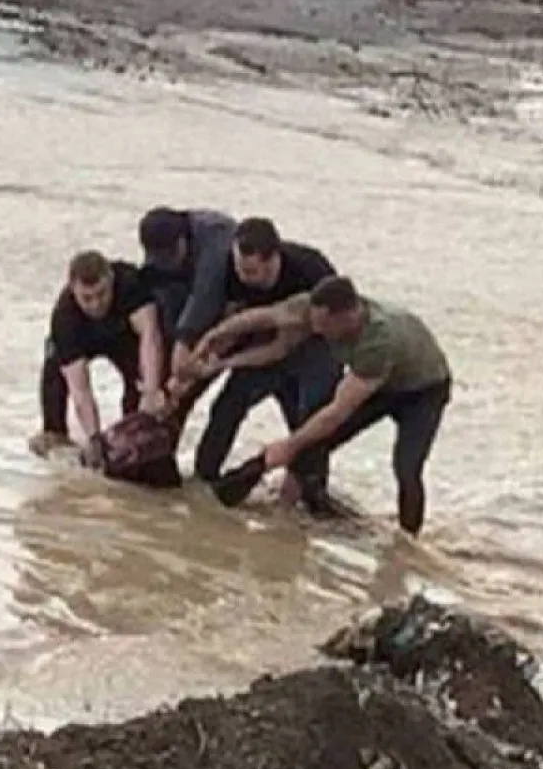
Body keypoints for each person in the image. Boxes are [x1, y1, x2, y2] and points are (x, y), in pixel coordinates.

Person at [205, 276, 452, 535]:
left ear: (348, 316)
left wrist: (288, 446)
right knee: (314, 443)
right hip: (381, 381)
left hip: (423, 391)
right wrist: (213, 337)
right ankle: (291, 508)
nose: (316, 330)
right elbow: (264, 317)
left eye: (323, 325)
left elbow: (337, 412)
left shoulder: (377, 341)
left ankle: (408, 542)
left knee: (407, 467)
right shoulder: (314, 310)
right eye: (313, 321)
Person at [177, 217, 342, 511]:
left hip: (317, 347)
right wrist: (203, 356)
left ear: (273, 259)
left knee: (309, 422)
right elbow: (235, 323)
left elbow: (279, 349)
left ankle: (305, 498)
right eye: (238, 266)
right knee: (228, 403)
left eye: (250, 270)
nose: (241, 275)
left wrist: (224, 362)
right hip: (264, 340)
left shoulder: (309, 270)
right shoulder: (233, 271)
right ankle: (203, 481)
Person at [29, 250, 165, 459]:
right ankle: (59, 443)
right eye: (87, 298)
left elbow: (150, 335)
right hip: (81, 339)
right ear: (73, 290)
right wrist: (94, 438)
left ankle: (133, 443)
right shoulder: (64, 318)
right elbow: (80, 390)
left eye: (102, 294)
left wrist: (151, 391)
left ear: (111, 279)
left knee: (139, 392)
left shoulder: (129, 281)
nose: (96, 304)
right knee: (53, 385)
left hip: (123, 337)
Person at [135, 206, 237, 427]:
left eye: (170, 256)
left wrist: (184, 341)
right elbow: (157, 291)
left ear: (183, 241)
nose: (167, 263)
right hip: (187, 301)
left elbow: (208, 292)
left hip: (232, 306)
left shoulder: (217, 234)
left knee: (203, 395)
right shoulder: (161, 255)